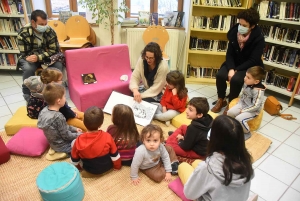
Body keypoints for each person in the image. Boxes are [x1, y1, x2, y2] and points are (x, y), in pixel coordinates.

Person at [178, 115, 254, 201]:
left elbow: (189, 194)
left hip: (208, 177)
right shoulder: (246, 160)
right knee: (196, 163)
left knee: (183, 166)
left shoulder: (206, 168)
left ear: (214, 138)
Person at [211, 8, 264, 114]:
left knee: (236, 80)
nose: (241, 27)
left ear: (252, 26)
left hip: (248, 66)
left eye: (244, 26)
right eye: (240, 24)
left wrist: (236, 70)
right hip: (233, 63)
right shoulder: (235, 33)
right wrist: (231, 68)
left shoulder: (259, 39)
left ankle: (231, 102)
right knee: (220, 75)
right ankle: (221, 99)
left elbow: (253, 60)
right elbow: (229, 54)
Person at [17, 9, 64, 102]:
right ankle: (28, 94)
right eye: (41, 24)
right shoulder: (23, 32)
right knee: (28, 68)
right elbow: (25, 53)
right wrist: (35, 57)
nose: (44, 26)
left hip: (46, 57)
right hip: (29, 58)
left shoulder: (50, 31)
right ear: (33, 22)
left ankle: (54, 91)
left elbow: (54, 50)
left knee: (58, 66)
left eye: (45, 23)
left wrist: (39, 57)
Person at [71, 106, 122, 178]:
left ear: (84, 123)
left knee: (73, 143)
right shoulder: (107, 136)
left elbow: (74, 160)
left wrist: (79, 168)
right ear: (101, 124)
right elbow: (115, 156)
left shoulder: (79, 140)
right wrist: (117, 167)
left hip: (89, 169)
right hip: (107, 167)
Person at [37, 83, 81, 154]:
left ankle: (54, 150)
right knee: (85, 145)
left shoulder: (44, 110)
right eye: (64, 96)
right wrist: (80, 135)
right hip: (63, 146)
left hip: (53, 143)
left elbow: (61, 127)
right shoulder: (58, 116)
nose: (65, 98)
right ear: (59, 101)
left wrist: (74, 129)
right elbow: (67, 136)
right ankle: (61, 154)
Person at [227, 66, 265, 140]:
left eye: (248, 77)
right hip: (242, 104)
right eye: (245, 75)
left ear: (256, 81)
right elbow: (244, 93)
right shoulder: (247, 83)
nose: (245, 78)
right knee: (230, 112)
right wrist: (240, 102)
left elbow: (256, 105)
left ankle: (246, 132)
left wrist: (243, 111)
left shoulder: (258, 91)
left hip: (253, 110)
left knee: (239, 119)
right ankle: (234, 127)